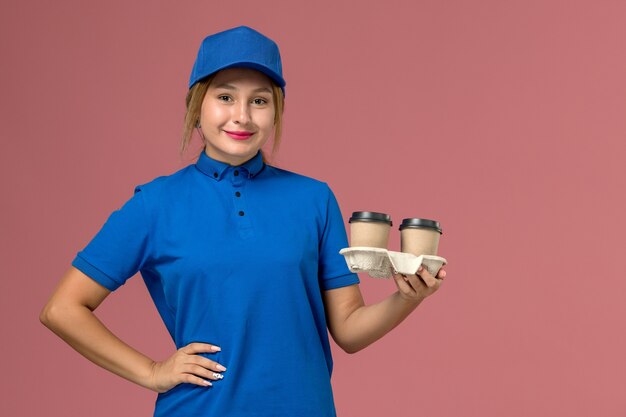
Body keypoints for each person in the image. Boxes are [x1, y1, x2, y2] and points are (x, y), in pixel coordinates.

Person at [40, 25, 447, 417]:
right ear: (197, 106)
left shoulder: (314, 199)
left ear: (275, 112)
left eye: (259, 100)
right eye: (225, 97)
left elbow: (350, 330)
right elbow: (62, 308)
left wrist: (407, 298)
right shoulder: (155, 204)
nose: (242, 116)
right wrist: (151, 371)